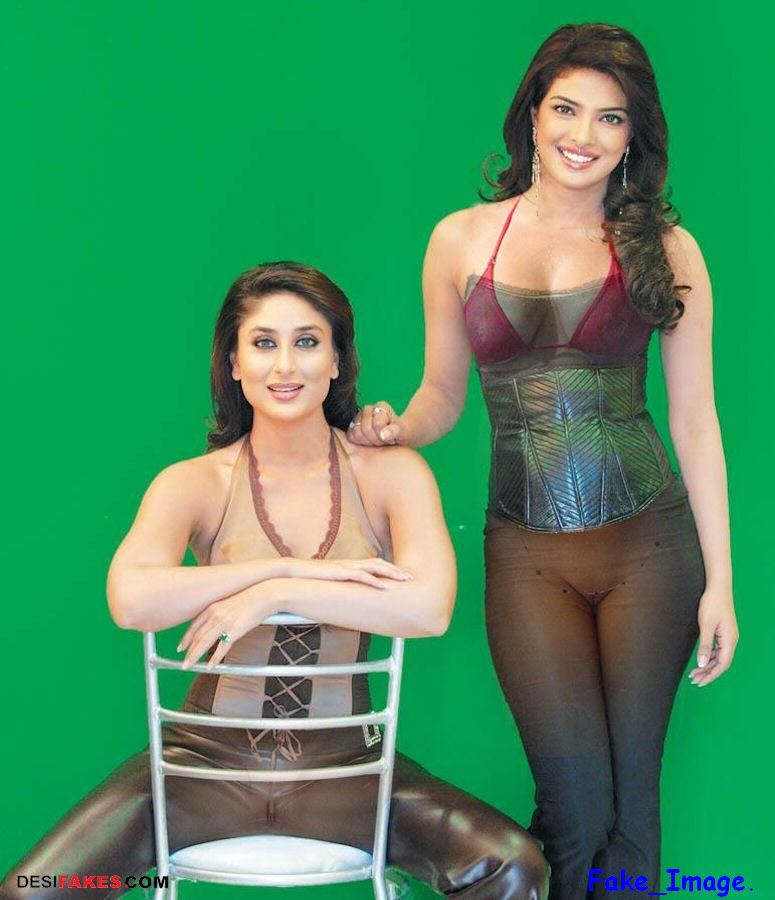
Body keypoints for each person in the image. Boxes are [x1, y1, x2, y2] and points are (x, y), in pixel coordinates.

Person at [0, 262, 548, 900]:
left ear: (338, 361)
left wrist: (279, 595)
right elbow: (130, 598)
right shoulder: (194, 482)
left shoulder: (391, 474)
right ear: (234, 363)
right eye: (263, 343)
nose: (285, 365)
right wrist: (280, 567)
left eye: (307, 342)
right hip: (196, 769)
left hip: (350, 771)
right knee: (36, 888)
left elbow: (429, 609)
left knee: (512, 867)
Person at [348, 23, 738, 900]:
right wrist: (393, 428)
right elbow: (442, 396)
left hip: (651, 549)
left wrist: (721, 584)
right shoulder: (458, 241)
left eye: (610, 118)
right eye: (565, 109)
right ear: (531, 114)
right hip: (525, 554)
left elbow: (696, 422)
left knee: (629, 812)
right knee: (574, 805)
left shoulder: (668, 250)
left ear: (632, 137)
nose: (582, 135)